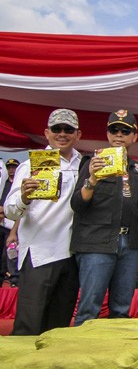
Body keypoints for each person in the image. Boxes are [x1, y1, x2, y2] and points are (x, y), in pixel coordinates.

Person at [5, 109, 84, 335]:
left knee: (57, 328)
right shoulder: (30, 165)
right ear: (46, 133)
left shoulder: (84, 163)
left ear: (78, 134)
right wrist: (24, 197)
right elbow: (10, 211)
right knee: (28, 326)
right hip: (40, 254)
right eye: (57, 129)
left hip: (71, 255)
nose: (62, 134)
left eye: (68, 130)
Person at [71, 110, 138, 326]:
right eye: (114, 130)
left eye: (125, 131)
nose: (119, 135)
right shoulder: (92, 163)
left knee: (122, 309)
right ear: (107, 134)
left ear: (134, 137)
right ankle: (77, 356)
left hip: (129, 244)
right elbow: (77, 204)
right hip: (97, 242)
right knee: (89, 308)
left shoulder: (137, 169)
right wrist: (93, 179)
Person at [1, 158, 19, 286]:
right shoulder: (4, 183)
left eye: (14, 167)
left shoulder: (17, 183)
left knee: (10, 253)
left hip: (13, 223)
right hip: (2, 222)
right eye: (10, 168)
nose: (12, 170)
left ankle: (14, 278)